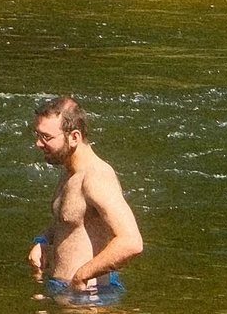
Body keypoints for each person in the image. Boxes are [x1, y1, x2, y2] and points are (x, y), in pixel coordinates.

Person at [27, 95, 144, 295]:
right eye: (37, 135)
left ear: (74, 137)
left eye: (46, 137)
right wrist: (43, 240)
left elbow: (131, 242)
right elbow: (69, 219)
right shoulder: (69, 171)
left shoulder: (95, 177)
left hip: (90, 297)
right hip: (66, 290)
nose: (38, 143)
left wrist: (82, 276)